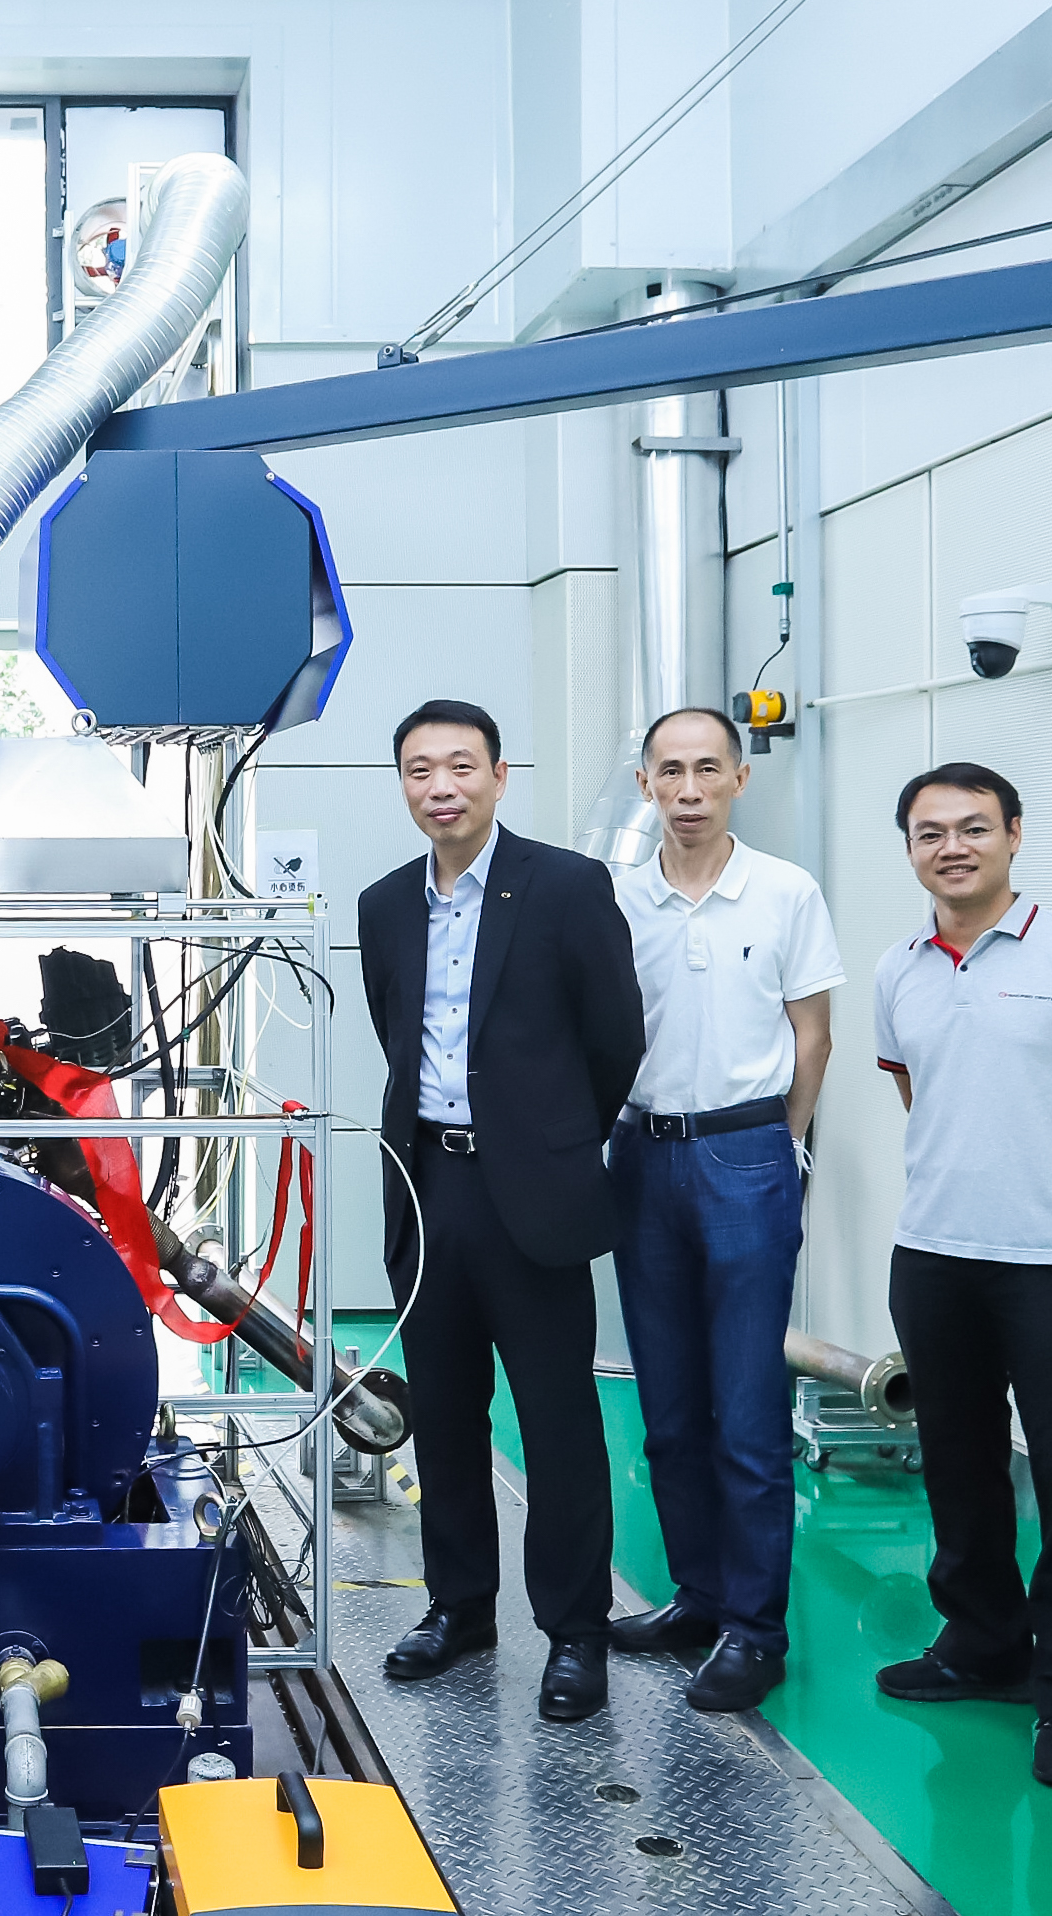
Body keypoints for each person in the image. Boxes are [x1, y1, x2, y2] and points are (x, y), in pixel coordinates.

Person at [870, 762, 1052, 1793]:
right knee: (957, 1459)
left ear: (1013, 835)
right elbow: (922, 1093)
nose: (951, 846)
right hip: (933, 1252)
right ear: (910, 849)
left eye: (973, 827)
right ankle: (982, 1644)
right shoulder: (899, 968)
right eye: (930, 832)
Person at [361, 701, 645, 1721]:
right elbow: (396, 1035)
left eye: (459, 766)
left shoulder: (566, 886)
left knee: (557, 1421)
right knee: (444, 1415)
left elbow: (616, 1038)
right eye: (418, 768)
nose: (440, 786)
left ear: (498, 775)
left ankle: (575, 1632)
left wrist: (552, 1142)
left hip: (533, 1194)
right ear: (403, 783)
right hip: (428, 1189)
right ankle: (460, 1608)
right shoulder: (384, 905)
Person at [603, 707, 844, 1712]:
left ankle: (755, 1630)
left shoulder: (786, 892)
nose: (690, 789)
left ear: (740, 778)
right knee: (666, 1412)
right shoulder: (617, 900)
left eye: (708, 769)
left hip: (747, 1150)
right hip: (641, 1156)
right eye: (671, 771)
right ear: (646, 784)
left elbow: (813, 1035)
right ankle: (697, 1598)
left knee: (746, 1413)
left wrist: (782, 1146)